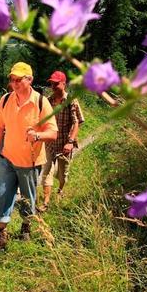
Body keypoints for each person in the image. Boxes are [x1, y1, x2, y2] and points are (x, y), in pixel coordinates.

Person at [0, 62, 58, 254]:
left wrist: (37, 135)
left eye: (19, 79)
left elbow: (53, 132)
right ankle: (1, 235)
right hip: (7, 157)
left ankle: (26, 226)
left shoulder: (41, 102)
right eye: (12, 79)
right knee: (2, 194)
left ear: (30, 80)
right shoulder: (5, 100)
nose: (15, 83)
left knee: (28, 198)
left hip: (30, 161)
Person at [39, 70, 84, 211]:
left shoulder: (71, 101)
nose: (53, 87)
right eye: (51, 84)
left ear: (64, 84)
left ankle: (60, 189)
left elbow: (77, 122)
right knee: (47, 171)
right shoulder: (48, 101)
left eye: (56, 84)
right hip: (50, 143)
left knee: (62, 173)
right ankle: (46, 202)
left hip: (65, 142)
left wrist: (70, 141)